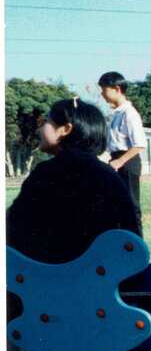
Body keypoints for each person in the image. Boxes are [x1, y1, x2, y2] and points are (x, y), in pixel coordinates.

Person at [7, 97, 140, 266]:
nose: (39, 129)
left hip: (58, 274)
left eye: (46, 122)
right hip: (108, 273)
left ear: (65, 129)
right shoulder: (107, 172)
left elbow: (14, 225)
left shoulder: (48, 171)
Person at [98, 71, 145, 229]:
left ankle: (138, 245)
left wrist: (120, 161)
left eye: (104, 89)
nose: (102, 93)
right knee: (117, 206)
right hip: (116, 160)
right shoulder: (116, 114)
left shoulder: (129, 114)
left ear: (117, 89)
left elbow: (139, 144)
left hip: (128, 162)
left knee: (132, 206)